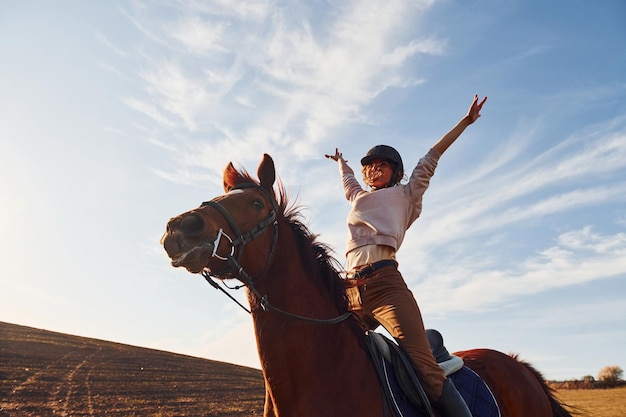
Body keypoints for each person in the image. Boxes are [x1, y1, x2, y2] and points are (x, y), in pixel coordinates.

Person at [325, 94, 487, 417]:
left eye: (381, 165)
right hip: (348, 290)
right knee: (327, 355)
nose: (372, 171)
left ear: (394, 171)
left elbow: (433, 155)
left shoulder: (407, 194)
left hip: (386, 287)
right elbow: (348, 180)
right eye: (369, 166)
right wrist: (342, 163)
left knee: (425, 370)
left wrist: (465, 122)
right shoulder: (357, 196)